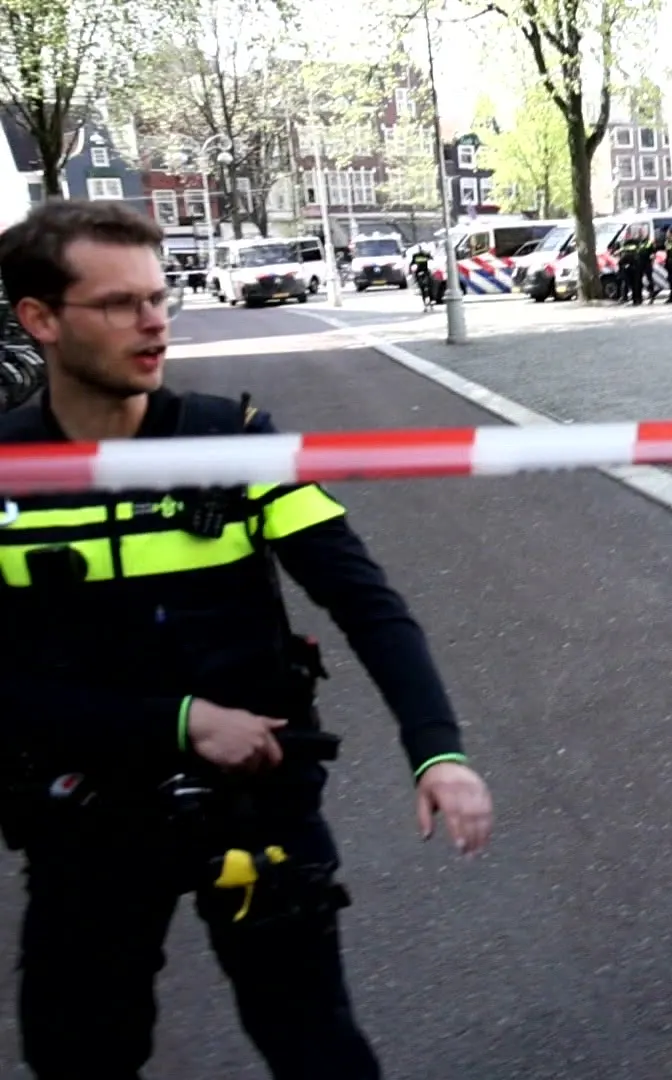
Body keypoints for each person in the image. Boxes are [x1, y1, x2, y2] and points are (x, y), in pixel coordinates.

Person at [0, 199, 494, 1079]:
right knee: (78, 1054)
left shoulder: (232, 437)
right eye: (118, 304)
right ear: (39, 319)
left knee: (314, 1047)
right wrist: (181, 720)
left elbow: (366, 602)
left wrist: (437, 751)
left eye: (160, 297)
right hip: (86, 815)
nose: (153, 321)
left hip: (255, 805)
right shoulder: (8, 471)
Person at [618, 230, 649, 307]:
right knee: (636, 284)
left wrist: (623, 265)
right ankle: (637, 299)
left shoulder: (628, 245)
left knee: (634, 284)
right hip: (635, 267)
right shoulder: (637, 244)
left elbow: (623, 258)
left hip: (633, 267)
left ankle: (636, 299)